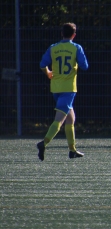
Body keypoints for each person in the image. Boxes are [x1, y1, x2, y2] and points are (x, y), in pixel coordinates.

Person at [37, 22, 89, 161]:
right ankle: (44, 143)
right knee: (59, 120)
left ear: (62, 34)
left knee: (70, 118)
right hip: (68, 89)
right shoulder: (76, 47)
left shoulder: (53, 47)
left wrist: (48, 72)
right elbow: (85, 66)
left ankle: (72, 150)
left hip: (55, 87)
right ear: (74, 35)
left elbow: (42, 64)